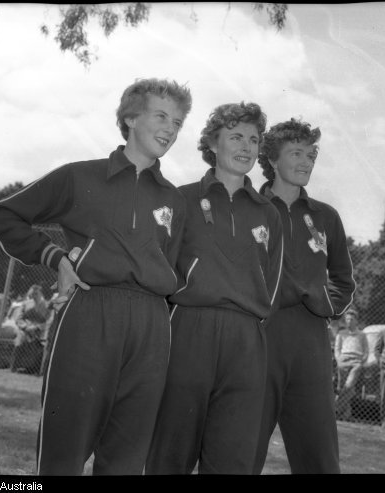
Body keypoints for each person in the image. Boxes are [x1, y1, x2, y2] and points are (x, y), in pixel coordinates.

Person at [0, 78, 192, 475]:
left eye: (178, 122)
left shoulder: (173, 200)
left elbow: (171, 265)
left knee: (128, 454)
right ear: (130, 117)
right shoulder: (80, 177)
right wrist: (55, 257)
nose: (171, 128)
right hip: (91, 311)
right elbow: (5, 216)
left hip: (151, 324)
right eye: (161, 116)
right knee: (65, 447)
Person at [145, 102, 284, 475]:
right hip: (189, 329)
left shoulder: (268, 213)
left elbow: (270, 279)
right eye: (235, 136)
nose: (246, 146)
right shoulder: (181, 198)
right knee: (169, 451)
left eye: (254, 140)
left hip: (246, 340)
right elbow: (161, 266)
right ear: (212, 142)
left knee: (232, 459)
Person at [252, 118, 355, 475]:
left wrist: (321, 301)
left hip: (311, 343)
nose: (307, 162)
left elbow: (343, 279)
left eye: (311, 154)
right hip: (257, 339)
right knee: (241, 450)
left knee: (319, 457)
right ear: (273, 158)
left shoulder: (326, 216)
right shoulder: (250, 207)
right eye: (296, 153)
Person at [335, 308, 368, 421]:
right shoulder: (341, 334)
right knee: (345, 389)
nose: (349, 321)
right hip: (343, 360)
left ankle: (335, 408)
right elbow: (337, 349)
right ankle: (344, 415)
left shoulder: (362, 335)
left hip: (356, 361)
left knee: (348, 385)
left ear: (356, 321)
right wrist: (339, 359)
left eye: (351, 319)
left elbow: (366, 350)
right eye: (347, 319)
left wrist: (362, 361)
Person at [11, 284, 52, 374]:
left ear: (41, 294)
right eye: (32, 294)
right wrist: (26, 327)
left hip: (39, 331)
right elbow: (19, 318)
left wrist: (37, 327)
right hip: (24, 329)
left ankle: (32, 369)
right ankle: (14, 367)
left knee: (39, 347)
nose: (34, 296)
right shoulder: (25, 304)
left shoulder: (47, 306)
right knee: (19, 342)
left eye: (36, 294)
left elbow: (48, 321)